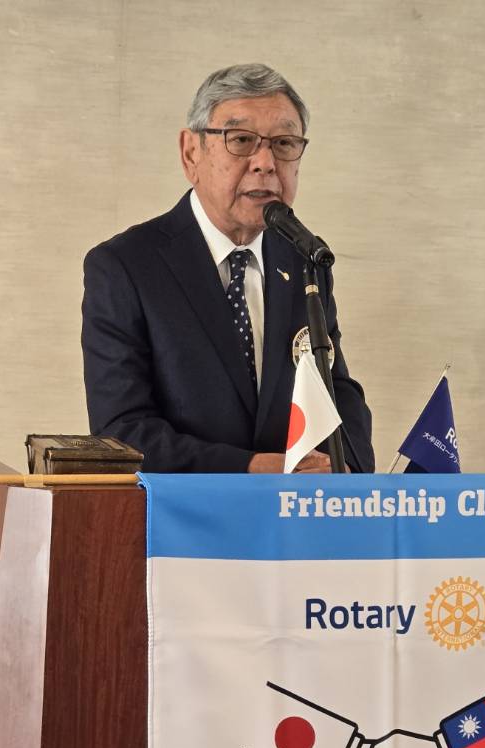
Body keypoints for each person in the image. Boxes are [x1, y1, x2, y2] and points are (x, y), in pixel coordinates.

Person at [82, 63, 374, 474]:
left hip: (294, 512)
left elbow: (335, 391)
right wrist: (249, 468)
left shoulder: (304, 260)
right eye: (241, 140)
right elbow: (122, 430)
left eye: (284, 143)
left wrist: (348, 472)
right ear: (191, 153)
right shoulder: (125, 266)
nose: (265, 163)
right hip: (183, 512)